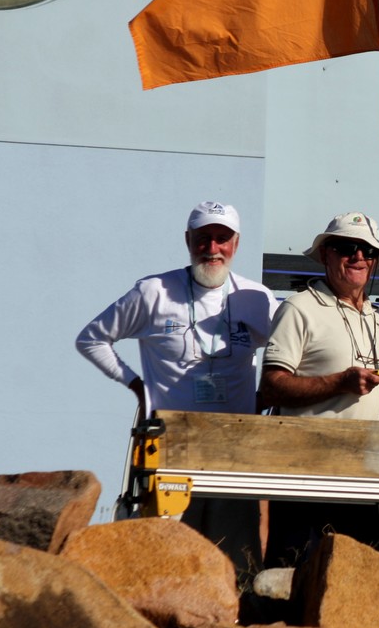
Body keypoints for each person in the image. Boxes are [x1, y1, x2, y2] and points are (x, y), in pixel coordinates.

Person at [76, 201, 279, 573]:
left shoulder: (257, 298)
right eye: (203, 239)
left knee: (234, 560)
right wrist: (136, 386)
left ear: (236, 244)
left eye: (222, 239)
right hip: (171, 444)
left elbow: (284, 354)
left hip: (233, 447)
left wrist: (265, 395)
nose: (212, 249)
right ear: (188, 240)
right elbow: (92, 339)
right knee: (167, 559)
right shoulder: (154, 291)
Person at [259, 211, 379, 564]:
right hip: (308, 481)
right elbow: (272, 387)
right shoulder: (299, 308)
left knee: (360, 593)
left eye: (367, 250)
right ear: (325, 254)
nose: (358, 256)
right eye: (345, 247)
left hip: (369, 485)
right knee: (294, 588)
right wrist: (340, 382)